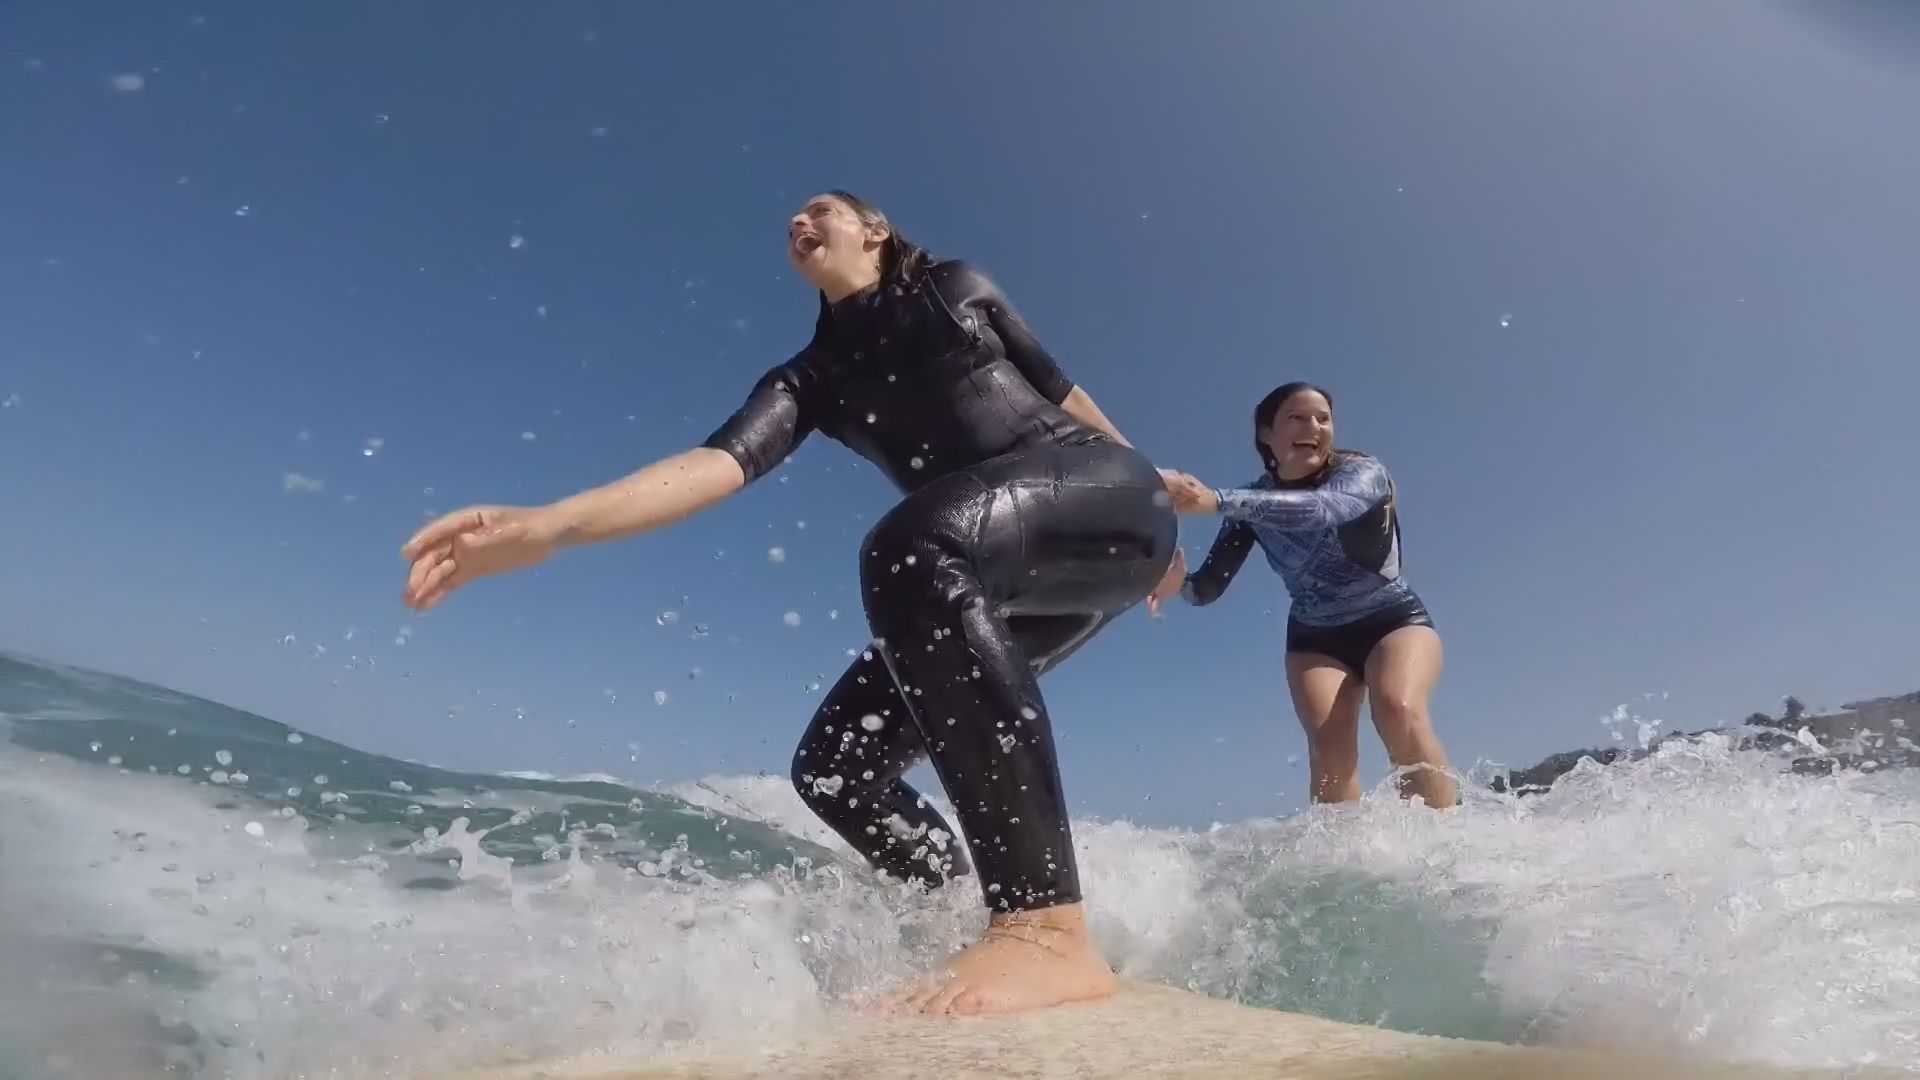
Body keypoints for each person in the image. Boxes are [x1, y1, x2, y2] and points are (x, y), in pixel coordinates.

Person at [400, 191, 1183, 1016]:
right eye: (790, 224)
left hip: (1108, 497)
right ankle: (958, 914)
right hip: (1013, 579)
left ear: (875, 230)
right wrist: (552, 525)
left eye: (820, 211)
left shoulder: (953, 287)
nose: (799, 225)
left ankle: (1045, 931)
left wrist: (1160, 506)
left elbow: (1064, 394)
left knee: (911, 549)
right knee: (839, 768)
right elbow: (714, 464)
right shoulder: (811, 378)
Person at [1151, 382, 1457, 808]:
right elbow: (1206, 589)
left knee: (1397, 707)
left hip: (1393, 619)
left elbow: (1322, 509)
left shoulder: (1362, 472)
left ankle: (1444, 836)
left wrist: (1215, 500)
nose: (1314, 426)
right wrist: (1177, 587)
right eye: (1297, 417)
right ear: (1266, 433)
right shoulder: (1249, 507)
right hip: (1315, 638)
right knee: (1329, 748)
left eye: (1323, 418)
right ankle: (1345, 851)